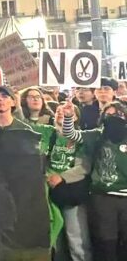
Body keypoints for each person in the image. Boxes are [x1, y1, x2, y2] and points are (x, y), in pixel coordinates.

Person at [62, 100, 127, 261]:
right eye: (108, 114)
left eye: (117, 114)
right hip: (103, 197)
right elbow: (71, 134)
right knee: (106, 243)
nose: (112, 118)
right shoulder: (97, 135)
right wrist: (69, 117)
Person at [39, 104, 93, 261]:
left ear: (74, 117)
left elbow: (84, 166)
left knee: (76, 236)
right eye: (58, 111)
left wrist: (62, 177)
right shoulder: (49, 134)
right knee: (56, 237)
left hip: (72, 192)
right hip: (51, 192)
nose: (61, 113)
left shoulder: (81, 137)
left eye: (67, 112)